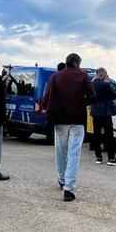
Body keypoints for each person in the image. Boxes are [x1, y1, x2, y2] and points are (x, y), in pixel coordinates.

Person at [43, 53, 95, 202]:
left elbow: (47, 96)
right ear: (78, 63)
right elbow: (92, 96)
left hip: (59, 119)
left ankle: (62, 180)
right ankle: (69, 189)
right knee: (74, 153)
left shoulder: (55, 76)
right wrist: (81, 103)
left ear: (66, 63)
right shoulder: (83, 76)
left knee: (60, 150)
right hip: (77, 119)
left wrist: (45, 109)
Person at [90, 68, 116, 166]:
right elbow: (115, 95)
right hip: (105, 113)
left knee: (96, 135)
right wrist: (108, 83)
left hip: (95, 112)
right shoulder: (106, 84)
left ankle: (98, 157)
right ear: (102, 74)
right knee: (109, 136)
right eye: (106, 74)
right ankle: (111, 158)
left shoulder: (91, 84)